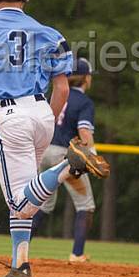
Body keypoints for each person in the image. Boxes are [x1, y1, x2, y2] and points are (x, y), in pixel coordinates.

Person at [0, 0, 109, 277]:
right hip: (42, 112)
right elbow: (63, 88)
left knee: (19, 203)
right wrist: (48, 123)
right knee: (26, 191)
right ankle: (20, 266)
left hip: (8, 115)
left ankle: (70, 166)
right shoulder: (50, 33)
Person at [40, 57, 99, 262]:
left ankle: (21, 247)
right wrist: (92, 155)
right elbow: (84, 131)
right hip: (65, 156)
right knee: (85, 205)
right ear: (85, 78)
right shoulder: (84, 102)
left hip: (43, 152)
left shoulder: (55, 95)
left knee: (43, 205)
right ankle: (77, 254)